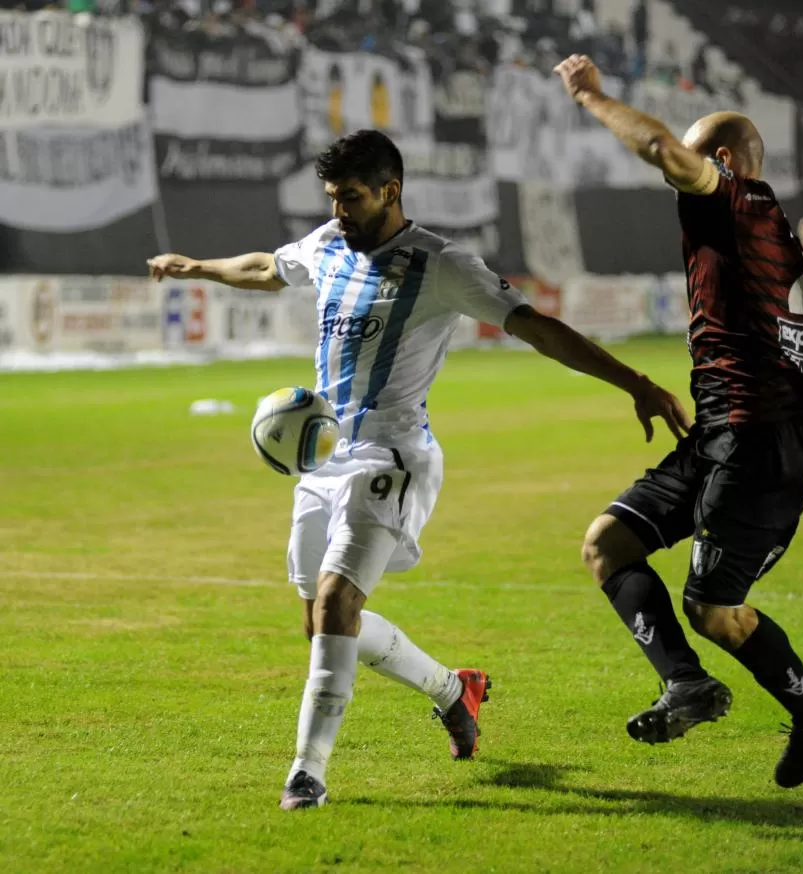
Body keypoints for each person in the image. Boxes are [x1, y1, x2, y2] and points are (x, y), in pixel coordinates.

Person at [148, 129, 691, 809]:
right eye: (332, 198)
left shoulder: (441, 264)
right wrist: (195, 266)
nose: (339, 210)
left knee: (338, 602)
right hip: (324, 460)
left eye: (351, 197)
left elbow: (538, 328)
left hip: (393, 457)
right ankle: (451, 689)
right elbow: (267, 269)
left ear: (390, 191)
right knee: (321, 624)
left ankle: (307, 771)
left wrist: (634, 380)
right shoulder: (327, 245)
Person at [555, 54, 803, 788]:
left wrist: (592, 97)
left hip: (757, 447)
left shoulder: (730, 202)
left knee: (713, 609)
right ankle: (688, 686)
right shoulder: (786, 248)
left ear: (723, 160)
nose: (678, 176)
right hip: (723, 431)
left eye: (698, 161)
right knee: (608, 544)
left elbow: (666, 150)